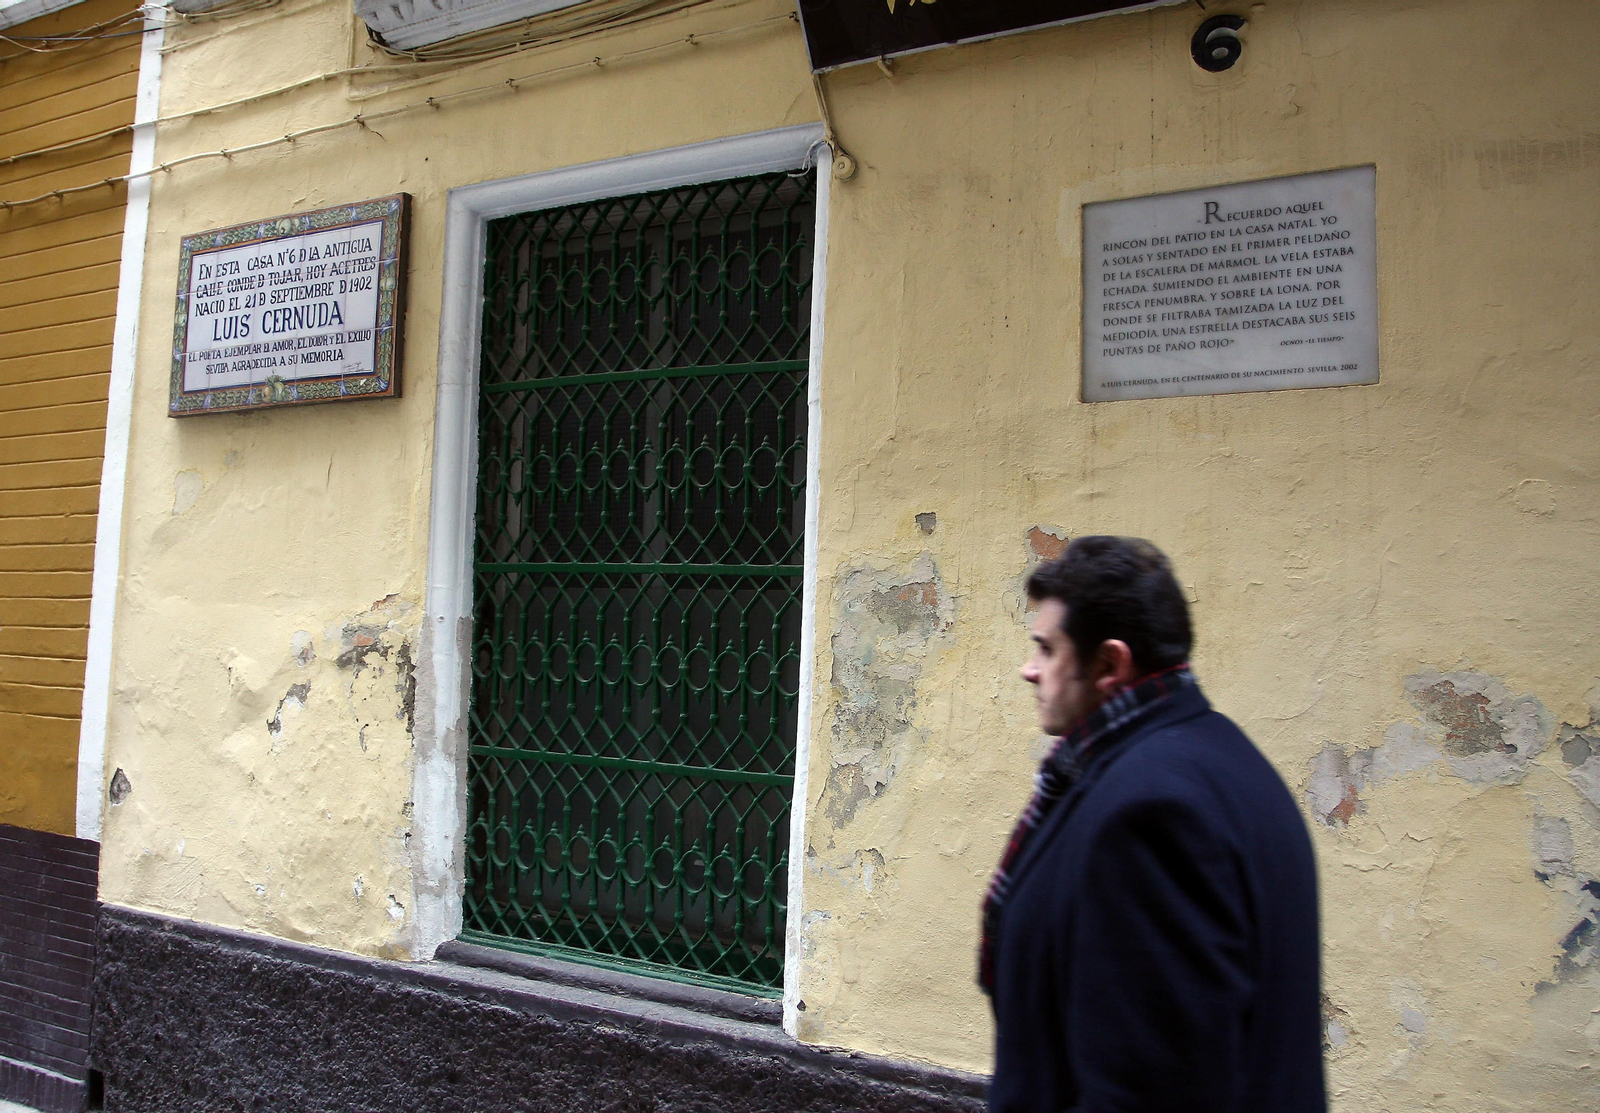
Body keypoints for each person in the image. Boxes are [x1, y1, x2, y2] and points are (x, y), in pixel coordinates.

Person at [979, 536, 1325, 1113]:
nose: (1029, 670)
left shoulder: (1151, 813)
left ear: (1110, 663)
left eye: (1045, 649)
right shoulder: (1219, 757)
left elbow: (1149, 1088)